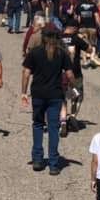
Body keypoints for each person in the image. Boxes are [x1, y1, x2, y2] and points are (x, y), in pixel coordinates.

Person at [21, 24, 75, 175]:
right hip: (55, 95)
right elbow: (70, 74)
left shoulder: (35, 52)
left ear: (43, 37)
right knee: (53, 128)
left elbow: (26, 73)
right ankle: (53, 163)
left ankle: (37, 159)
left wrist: (23, 92)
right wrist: (73, 87)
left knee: (38, 125)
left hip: (38, 94)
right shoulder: (62, 53)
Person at [60, 21, 94, 134]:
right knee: (78, 96)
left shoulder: (58, 37)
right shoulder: (76, 38)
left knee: (63, 96)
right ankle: (73, 116)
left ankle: (63, 120)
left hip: (61, 72)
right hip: (75, 72)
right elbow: (89, 50)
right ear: (74, 28)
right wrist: (85, 38)